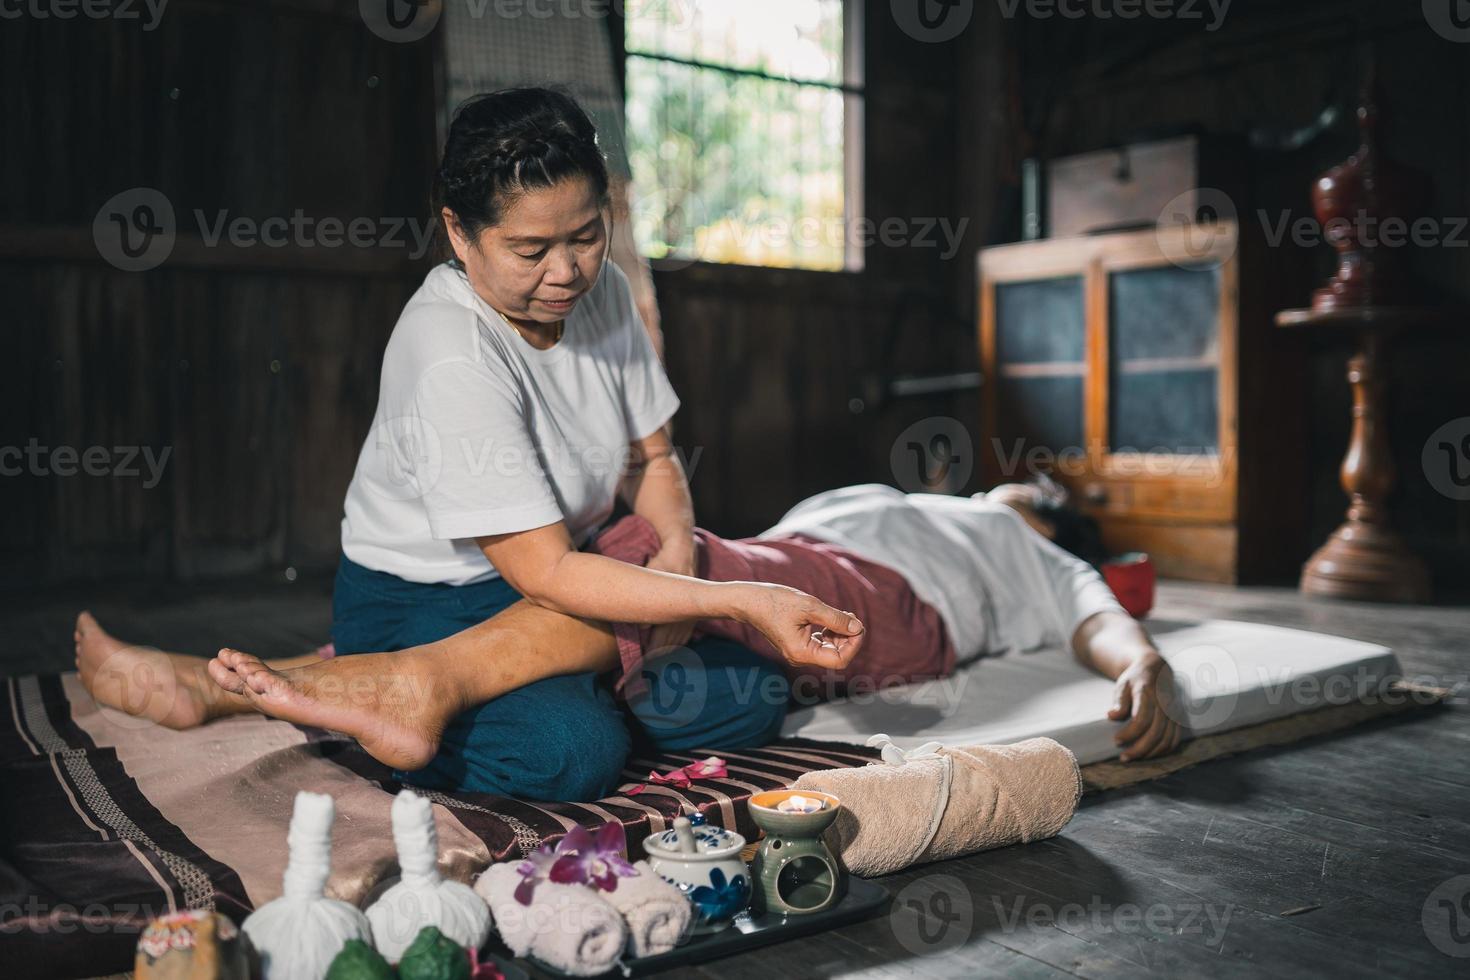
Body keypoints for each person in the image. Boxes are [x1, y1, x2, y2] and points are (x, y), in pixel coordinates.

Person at [75, 87, 864, 802]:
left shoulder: (609, 294)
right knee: (569, 752)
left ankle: (344, 683)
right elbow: (549, 573)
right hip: (432, 602)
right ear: (459, 231)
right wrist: (739, 597)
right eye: (530, 251)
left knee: (749, 696)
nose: (567, 272)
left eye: (588, 235)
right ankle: (398, 675)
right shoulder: (450, 348)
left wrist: (680, 557)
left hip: (575, 576)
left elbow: (649, 459)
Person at [79, 480, 1182, 801]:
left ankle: (257, 686)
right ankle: (276, 686)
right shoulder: (905, 491)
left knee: (671, 556)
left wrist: (1146, 666)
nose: (1010, 488)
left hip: (876, 605)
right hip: (778, 565)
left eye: (1032, 491)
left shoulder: (1026, 543)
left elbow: (1104, 618)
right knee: (650, 592)